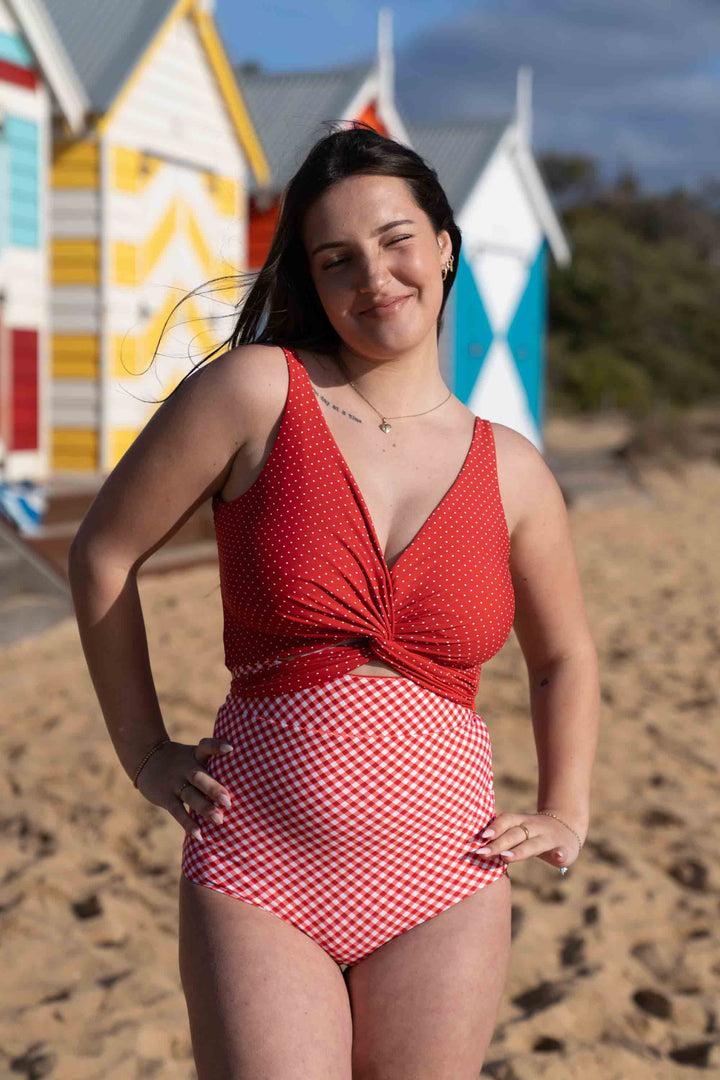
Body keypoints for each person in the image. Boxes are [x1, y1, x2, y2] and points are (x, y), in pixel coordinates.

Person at [69, 122, 599, 1079]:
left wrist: (565, 808)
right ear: (310, 282)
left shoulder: (515, 471)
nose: (375, 277)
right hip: (259, 872)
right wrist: (145, 753)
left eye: (398, 241)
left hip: (447, 882)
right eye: (336, 259)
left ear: (444, 244)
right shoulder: (257, 393)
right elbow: (104, 553)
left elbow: (563, 658)